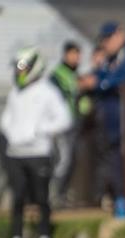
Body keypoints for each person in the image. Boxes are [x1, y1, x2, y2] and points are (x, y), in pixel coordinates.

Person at [0, 47, 71, 238]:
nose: (20, 72)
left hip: (39, 152)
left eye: (24, 67)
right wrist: (13, 134)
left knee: (41, 198)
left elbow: (64, 119)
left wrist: (40, 131)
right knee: (18, 198)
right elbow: (6, 120)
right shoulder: (14, 93)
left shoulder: (48, 92)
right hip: (16, 153)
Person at [82, 21, 125, 218]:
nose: (106, 43)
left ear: (120, 34)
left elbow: (121, 78)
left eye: (109, 37)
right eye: (104, 39)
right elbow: (103, 76)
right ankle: (124, 200)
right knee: (117, 160)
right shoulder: (111, 59)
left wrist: (99, 83)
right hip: (115, 121)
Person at [48, 41, 85, 206]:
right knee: (63, 159)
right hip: (61, 125)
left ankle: (61, 194)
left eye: (78, 54)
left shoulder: (75, 74)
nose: (77, 58)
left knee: (70, 159)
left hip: (74, 122)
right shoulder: (57, 75)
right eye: (74, 54)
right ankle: (55, 194)